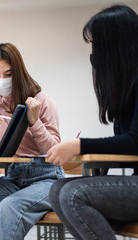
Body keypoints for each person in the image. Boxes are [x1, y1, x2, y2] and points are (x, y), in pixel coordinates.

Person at [47, 5, 138, 240]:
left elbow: (134, 142)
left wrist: (80, 145)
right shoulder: (128, 88)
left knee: (72, 195)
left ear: (115, 46)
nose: (94, 53)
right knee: (57, 190)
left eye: (97, 44)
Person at [0, 42, 64, 240]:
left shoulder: (42, 101)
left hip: (46, 179)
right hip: (13, 177)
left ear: (18, 72)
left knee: (9, 206)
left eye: (8, 74)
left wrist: (34, 122)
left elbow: (55, 150)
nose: (2, 80)